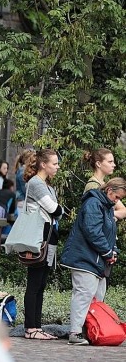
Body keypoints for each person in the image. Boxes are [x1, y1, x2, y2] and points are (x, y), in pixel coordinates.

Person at [60, 179, 126, 346]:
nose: (116, 201)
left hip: (96, 259)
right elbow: (93, 231)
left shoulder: (105, 206)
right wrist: (107, 252)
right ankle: (75, 332)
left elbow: (109, 233)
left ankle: (91, 331)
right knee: (84, 294)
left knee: (96, 298)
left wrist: (113, 251)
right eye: (116, 197)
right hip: (86, 258)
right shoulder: (93, 204)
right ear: (109, 190)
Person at [22, 149, 62, 340]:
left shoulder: (47, 185)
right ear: (43, 164)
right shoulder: (36, 183)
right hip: (39, 236)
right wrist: (59, 209)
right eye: (54, 164)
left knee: (42, 283)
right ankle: (30, 328)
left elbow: (56, 212)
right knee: (35, 282)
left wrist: (58, 211)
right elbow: (54, 209)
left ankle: (37, 326)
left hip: (49, 236)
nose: (57, 167)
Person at [83, 147, 126, 220]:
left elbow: (124, 211)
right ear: (98, 164)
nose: (114, 165)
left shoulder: (105, 184)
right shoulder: (92, 186)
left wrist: (110, 214)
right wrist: (111, 215)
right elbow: (93, 215)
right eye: (110, 162)